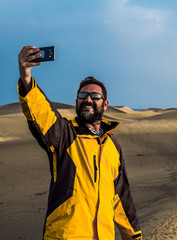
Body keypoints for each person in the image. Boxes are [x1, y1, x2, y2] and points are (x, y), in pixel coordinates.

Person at [17, 46, 143, 240]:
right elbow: (42, 115)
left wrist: (133, 236)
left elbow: (121, 197)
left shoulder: (112, 146)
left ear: (105, 104)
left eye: (95, 96)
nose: (88, 100)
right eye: (83, 96)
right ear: (76, 102)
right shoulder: (64, 134)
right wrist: (26, 80)